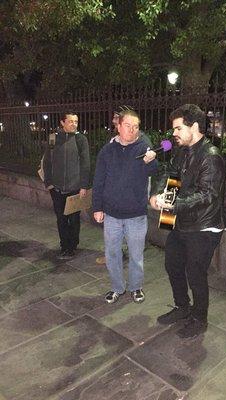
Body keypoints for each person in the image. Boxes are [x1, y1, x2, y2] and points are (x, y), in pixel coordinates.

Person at [150, 104, 224, 339]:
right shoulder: (181, 151)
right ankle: (182, 307)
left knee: (195, 273)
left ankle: (199, 318)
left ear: (194, 126)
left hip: (203, 226)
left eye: (178, 128)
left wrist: (173, 204)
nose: (174, 134)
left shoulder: (211, 156)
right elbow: (169, 176)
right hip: (181, 222)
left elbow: (208, 194)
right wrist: (159, 196)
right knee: (172, 265)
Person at [93, 109, 158, 304]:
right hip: (112, 214)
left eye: (136, 126)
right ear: (119, 126)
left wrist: (151, 161)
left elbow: (154, 171)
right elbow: (98, 180)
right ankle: (117, 287)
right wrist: (97, 207)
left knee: (136, 255)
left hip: (136, 215)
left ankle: (136, 287)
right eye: (128, 126)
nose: (132, 130)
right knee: (112, 253)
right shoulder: (107, 151)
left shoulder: (144, 147)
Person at [43, 112, 90, 260]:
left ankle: (73, 245)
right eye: (70, 121)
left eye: (76, 121)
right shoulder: (53, 138)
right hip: (56, 189)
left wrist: (83, 185)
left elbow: (85, 164)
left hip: (74, 188)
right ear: (62, 123)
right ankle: (64, 246)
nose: (74, 124)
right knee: (61, 219)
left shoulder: (81, 139)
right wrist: (48, 183)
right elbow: (47, 161)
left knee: (74, 219)